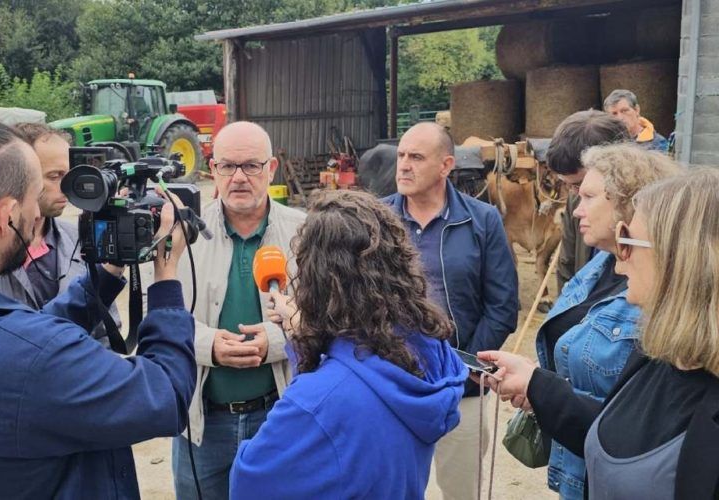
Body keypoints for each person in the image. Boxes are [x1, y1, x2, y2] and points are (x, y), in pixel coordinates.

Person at [0, 112, 197, 497]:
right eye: (35, 197)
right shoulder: (33, 356)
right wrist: (167, 275)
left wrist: (108, 271)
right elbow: (167, 395)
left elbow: (24, 336)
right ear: (6, 216)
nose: (39, 214)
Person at [480, 168, 719, 499]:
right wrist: (536, 385)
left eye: (627, 242)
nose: (618, 265)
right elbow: (615, 431)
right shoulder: (658, 351)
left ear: (682, 258)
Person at [231, 189, 467, 498]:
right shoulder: (425, 350)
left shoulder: (318, 402)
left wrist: (311, 354)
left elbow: (249, 482)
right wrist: (311, 337)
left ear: (317, 278)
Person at [529, 143, 682, 499]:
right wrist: (535, 385)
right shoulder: (599, 267)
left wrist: (539, 389)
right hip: (584, 473)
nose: (577, 210)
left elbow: (637, 420)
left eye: (589, 197)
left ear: (626, 203)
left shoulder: (657, 293)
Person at [381, 122, 518, 500]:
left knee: (462, 492)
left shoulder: (482, 220)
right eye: (402, 155)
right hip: (392, 386)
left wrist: (465, 369)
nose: (404, 166)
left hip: (461, 390)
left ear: (445, 166)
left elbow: (502, 305)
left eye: (416, 157)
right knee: (391, 489)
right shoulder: (377, 221)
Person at [172, 121, 306, 500]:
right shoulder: (183, 235)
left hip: (278, 417)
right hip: (203, 423)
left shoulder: (305, 233)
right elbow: (162, 320)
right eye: (228, 166)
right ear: (212, 169)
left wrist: (276, 341)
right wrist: (209, 346)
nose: (239, 178)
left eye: (251, 166)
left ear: (272, 169)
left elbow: (324, 314)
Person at [0, 123, 120, 342]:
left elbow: (105, 332)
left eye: (69, 174)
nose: (67, 186)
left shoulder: (82, 239)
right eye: (54, 176)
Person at [547, 110, 631, 290]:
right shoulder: (575, 199)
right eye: (567, 185)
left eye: (579, 184)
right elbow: (567, 264)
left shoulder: (645, 223)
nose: (575, 194)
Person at [603, 89, 669, 152]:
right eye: (614, 114)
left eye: (624, 111)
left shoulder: (657, 143)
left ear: (637, 110)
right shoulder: (606, 141)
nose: (620, 118)